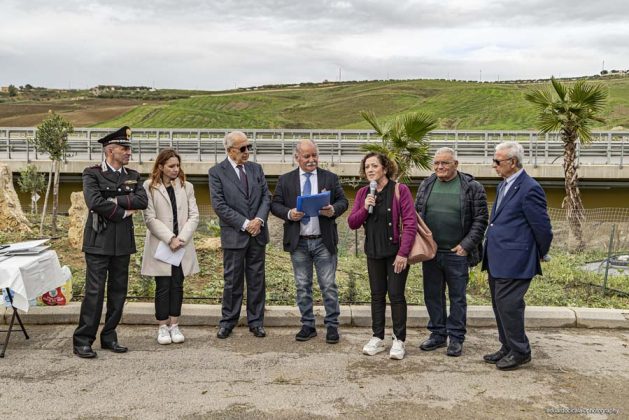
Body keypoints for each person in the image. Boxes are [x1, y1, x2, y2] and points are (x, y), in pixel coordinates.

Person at [72, 126, 148, 358]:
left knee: (118, 292)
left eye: (129, 149)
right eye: (124, 149)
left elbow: (142, 200)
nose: (129, 152)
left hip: (122, 242)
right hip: (98, 240)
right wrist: (123, 211)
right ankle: (83, 339)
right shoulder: (91, 173)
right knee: (94, 292)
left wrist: (113, 199)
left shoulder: (133, 175)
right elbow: (94, 201)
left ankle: (109, 336)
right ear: (110, 150)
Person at [482, 141, 553, 370]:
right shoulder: (504, 185)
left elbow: (542, 228)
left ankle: (521, 351)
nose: (494, 165)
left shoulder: (530, 188)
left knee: (509, 306)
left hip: (516, 260)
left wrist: (540, 252)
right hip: (497, 258)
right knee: (500, 305)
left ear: (512, 162)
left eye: (497, 161)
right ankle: (508, 346)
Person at [271, 139, 348, 344]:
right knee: (302, 286)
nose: (312, 159)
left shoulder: (329, 178)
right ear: (297, 157)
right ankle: (308, 325)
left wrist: (333, 210)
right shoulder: (285, 180)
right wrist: (289, 213)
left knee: (328, 285)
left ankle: (332, 326)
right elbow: (275, 204)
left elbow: (343, 201)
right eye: (307, 156)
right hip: (299, 243)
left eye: (314, 155)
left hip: (324, 241)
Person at [415, 147, 488, 357]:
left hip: (457, 253)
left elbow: (481, 220)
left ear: (456, 164)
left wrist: (466, 245)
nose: (439, 167)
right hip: (431, 252)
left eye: (445, 163)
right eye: (436, 163)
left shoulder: (472, 187)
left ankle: (456, 337)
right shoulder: (426, 184)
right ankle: (438, 334)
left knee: (457, 297)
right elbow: (417, 215)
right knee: (432, 295)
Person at [348, 152, 417, 360]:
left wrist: (403, 253)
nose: (370, 170)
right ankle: (377, 337)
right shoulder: (363, 193)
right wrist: (364, 207)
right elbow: (353, 223)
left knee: (396, 295)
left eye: (374, 166)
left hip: (396, 253)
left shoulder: (399, 190)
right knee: (377, 295)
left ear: (385, 168)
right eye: (367, 167)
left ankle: (399, 339)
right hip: (374, 251)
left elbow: (410, 223)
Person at [208, 131, 270, 339]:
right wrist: (245, 224)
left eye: (248, 147)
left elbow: (266, 197)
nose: (247, 152)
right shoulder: (216, 172)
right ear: (230, 150)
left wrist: (258, 220)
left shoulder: (256, 169)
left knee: (257, 280)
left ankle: (256, 322)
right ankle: (228, 321)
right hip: (235, 235)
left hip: (257, 234)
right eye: (242, 148)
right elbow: (219, 205)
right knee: (232, 281)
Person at [141, 149, 200, 345]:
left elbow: (194, 215)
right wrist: (170, 238)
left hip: (181, 245)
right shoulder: (149, 186)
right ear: (161, 166)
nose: (175, 169)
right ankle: (162, 326)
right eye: (171, 166)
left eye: (177, 166)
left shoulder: (186, 186)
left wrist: (181, 238)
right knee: (163, 286)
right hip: (162, 244)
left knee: (177, 284)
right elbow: (149, 218)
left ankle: (174, 324)